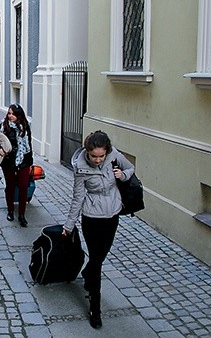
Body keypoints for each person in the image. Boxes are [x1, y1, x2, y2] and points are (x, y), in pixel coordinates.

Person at [61, 130, 134, 329]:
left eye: (101, 156)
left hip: (112, 214)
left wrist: (122, 174)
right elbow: (77, 198)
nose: (98, 160)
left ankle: (87, 272)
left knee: (97, 259)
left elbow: (131, 169)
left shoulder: (114, 155)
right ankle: (95, 309)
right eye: (94, 156)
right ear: (87, 151)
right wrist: (69, 225)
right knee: (97, 262)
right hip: (91, 217)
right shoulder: (80, 167)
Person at [0, 103, 33, 227]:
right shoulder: (4, 126)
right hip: (8, 162)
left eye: (13, 114)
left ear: (19, 115)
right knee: (10, 186)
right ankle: (10, 211)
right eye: (9, 113)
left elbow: (28, 145)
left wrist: (29, 163)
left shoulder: (25, 126)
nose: (11, 116)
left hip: (23, 162)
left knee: (24, 187)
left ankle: (22, 215)